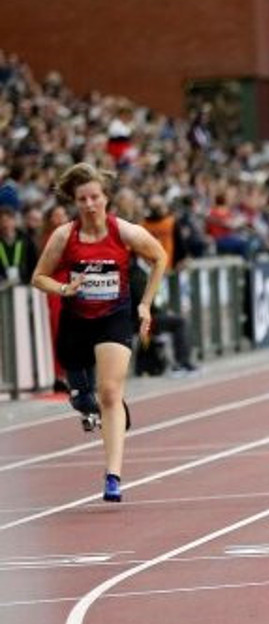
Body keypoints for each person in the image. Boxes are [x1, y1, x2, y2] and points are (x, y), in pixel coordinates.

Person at [30, 163, 168, 502]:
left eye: (95, 197)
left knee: (109, 392)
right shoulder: (65, 235)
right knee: (83, 399)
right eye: (82, 199)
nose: (90, 204)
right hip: (76, 321)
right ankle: (90, 404)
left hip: (113, 317)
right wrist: (64, 289)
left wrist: (145, 304)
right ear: (75, 202)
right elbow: (38, 277)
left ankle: (113, 476)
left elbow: (159, 257)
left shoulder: (124, 231)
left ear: (106, 198)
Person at [0, 205, 37, 284]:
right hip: (2, 284)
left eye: (8, 220)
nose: (5, 224)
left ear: (14, 221)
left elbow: (33, 262)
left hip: (24, 283)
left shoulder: (26, 240)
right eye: (2, 221)